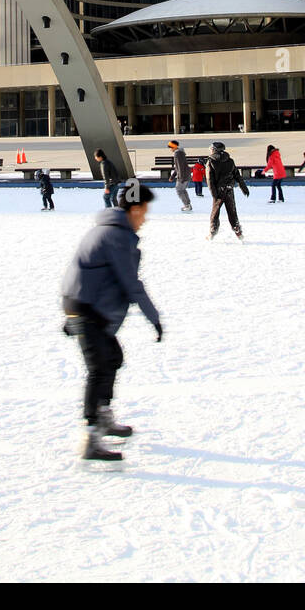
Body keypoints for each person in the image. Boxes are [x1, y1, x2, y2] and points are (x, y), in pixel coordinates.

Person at [61, 178, 162, 461]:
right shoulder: (117, 236)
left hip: (85, 306)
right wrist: (154, 318)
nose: (145, 219)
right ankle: (92, 436)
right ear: (133, 208)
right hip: (87, 308)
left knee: (112, 358)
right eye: (143, 211)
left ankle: (103, 416)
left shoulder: (108, 230)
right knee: (100, 367)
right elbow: (131, 283)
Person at [206, 140, 249, 241]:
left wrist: (213, 193)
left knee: (215, 212)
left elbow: (209, 179)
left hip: (218, 191)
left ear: (214, 150)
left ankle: (212, 232)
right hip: (229, 189)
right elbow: (237, 175)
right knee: (232, 211)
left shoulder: (211, 161)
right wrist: (244, 188)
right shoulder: (230, 161)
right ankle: (238, 231)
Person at [167, 139, 192, 212]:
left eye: (171, 147)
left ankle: (187, 205)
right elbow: (177, 167)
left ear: (174, 147)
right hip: (186, 174)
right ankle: (188, 205)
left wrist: (181, 178)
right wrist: (172, 176)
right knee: (182, 190)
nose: (170, 149)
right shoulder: (180, 153)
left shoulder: (177, 154)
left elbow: (180, 167)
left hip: (183, 175)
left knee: (179, 190)